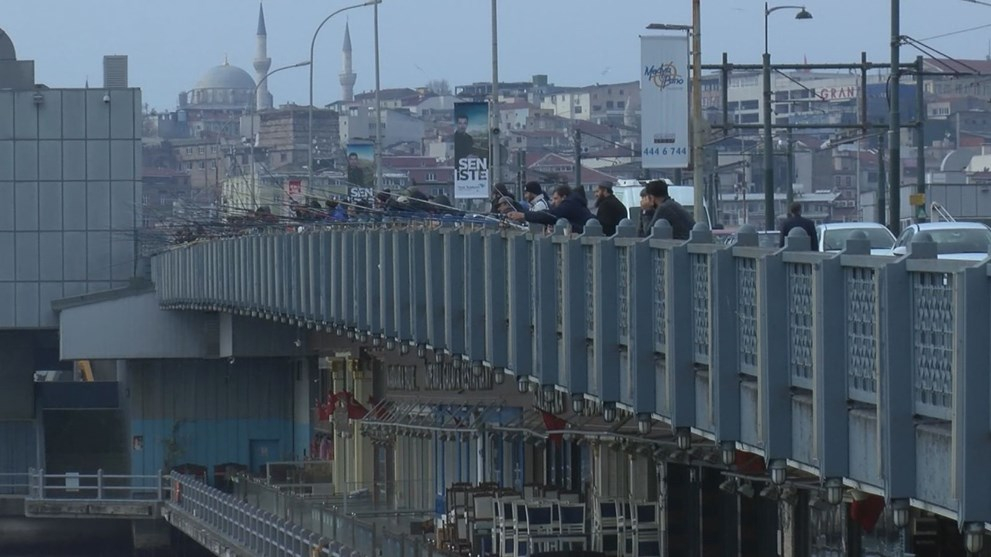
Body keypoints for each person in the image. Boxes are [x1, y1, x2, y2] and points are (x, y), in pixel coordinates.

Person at [507, 184, 595, 233]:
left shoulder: (569, 204)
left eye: (556, 199)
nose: (553, 202)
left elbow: (550, 215)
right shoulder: (574, 203)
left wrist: (524, 215)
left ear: (564, 197)